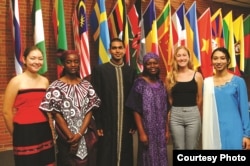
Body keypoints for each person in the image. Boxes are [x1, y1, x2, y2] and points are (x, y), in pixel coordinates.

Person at [39, 50, 101, 166]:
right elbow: (56, 115)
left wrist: (79, 134)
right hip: (65, 136)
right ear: (63, 64)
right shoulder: (55, 87)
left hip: (86, 135)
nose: (73, 65)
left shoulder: (86, 85)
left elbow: (89, 111)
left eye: (76, 62)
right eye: (69, 62)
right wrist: (71, 137)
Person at [2, 46, 56, 166]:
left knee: (47, 162)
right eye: (33, 58)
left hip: (43, 130)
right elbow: (6, 111)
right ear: (24, 59)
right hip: (24, 132)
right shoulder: (16, 81)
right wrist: (15, 133)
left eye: (40, 59)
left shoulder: (45, 81)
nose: (37, 62)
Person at [91, 38, 137, 166]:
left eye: (120, 48)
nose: (117, 51)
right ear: (109, 50)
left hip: (126, 121)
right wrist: (98, 123)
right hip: (107, 121)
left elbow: (134, 99)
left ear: (124, 50)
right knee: (106, 152)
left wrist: (133, 122)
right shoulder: (100, 70)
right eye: (114, 48)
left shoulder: (131, 71)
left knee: (125, 151)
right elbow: (96, 97)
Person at [202, 47, 250, 149]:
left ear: (228, 60)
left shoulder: (238, 82)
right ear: (212, 61)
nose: (219, 61)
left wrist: (247, 135)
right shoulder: (207, 83)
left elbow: (244, 109)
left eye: (222, 58)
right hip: (214, 129)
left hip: (234, 130)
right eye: (215, 58)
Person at [126, 52, 168, 166]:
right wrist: (141, 132)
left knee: (162, 156)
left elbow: (165, 109)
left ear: (158, 65)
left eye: (155, 63)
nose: (152, 66)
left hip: (160, 131)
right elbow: (135, 109)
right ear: (144, 66)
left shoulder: (161, 84)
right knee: (147, 158)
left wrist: (166, 130)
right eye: (149, 64)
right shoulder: (139, 83)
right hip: (147, 130)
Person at [165, 46, 203, 150]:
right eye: (179, 55)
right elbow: (170, 98)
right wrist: (173, 111)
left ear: (188, 57)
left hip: (193, 114)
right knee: (178, 147)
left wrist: (196, 113)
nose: (182, 58)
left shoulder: (197, 75)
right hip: (175, 116)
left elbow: (200, 98)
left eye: (184, 55)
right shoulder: (170, 76)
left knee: (192, 148)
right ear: (175, 59)